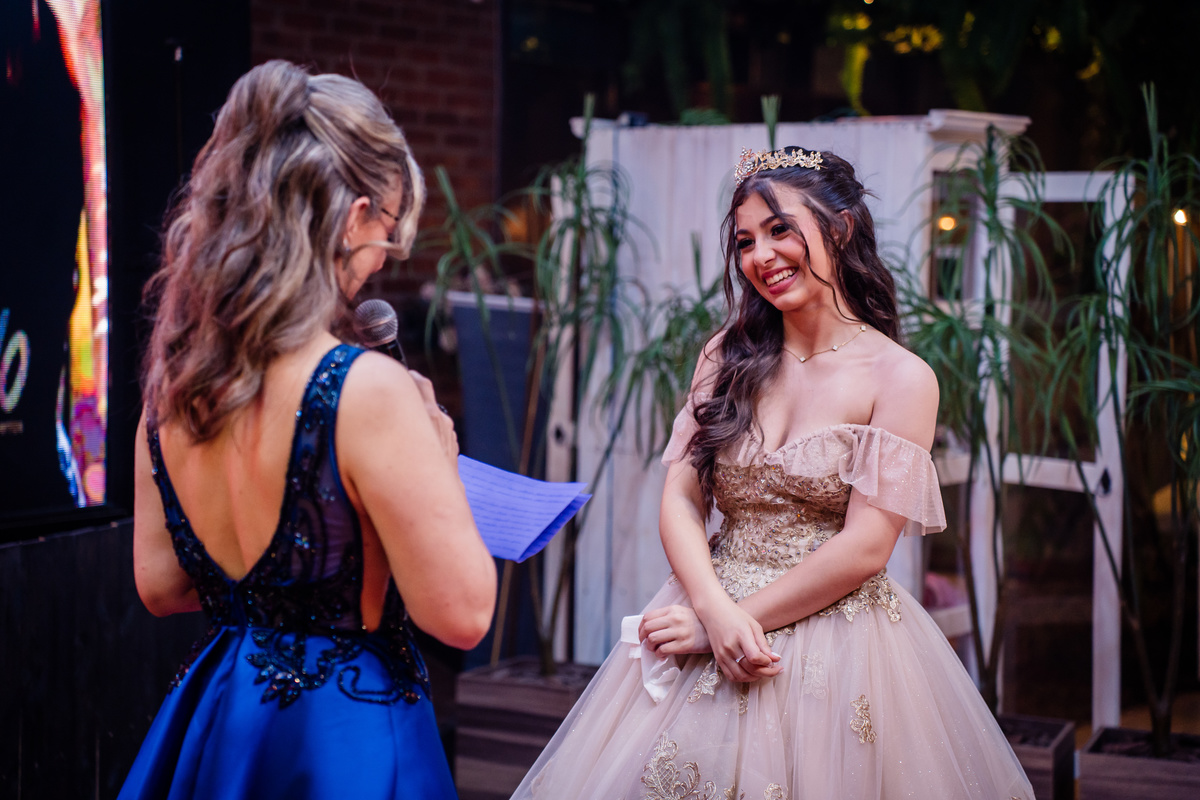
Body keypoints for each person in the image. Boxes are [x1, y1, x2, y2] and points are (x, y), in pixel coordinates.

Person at [510, 146, 1033, 799]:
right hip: (708, 599)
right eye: (745, 241)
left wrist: (730, 624)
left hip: (834, 636)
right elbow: (680, 496)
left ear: (840, 228)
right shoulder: (726, 355)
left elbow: (867, 546)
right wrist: (710, 611)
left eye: (780, 230)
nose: (761, 256)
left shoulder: (900, 377)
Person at [119, 60, 497, 800]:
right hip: (343, 733)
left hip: (224, 717)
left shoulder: (174, 394)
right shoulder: (365, 390)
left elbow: (161, 588)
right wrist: (440, 457)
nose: (382, 261)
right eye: (389, 231)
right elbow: (462, 615)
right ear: (353, 217)